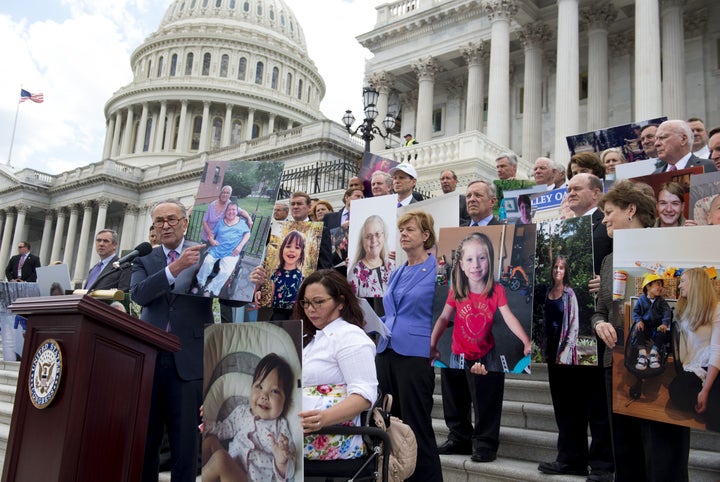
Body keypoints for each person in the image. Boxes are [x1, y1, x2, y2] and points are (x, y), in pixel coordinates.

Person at [132, 199, 266, 481]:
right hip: (150, 359)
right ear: (154, 228)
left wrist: (253, 282)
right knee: (146, 439)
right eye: (159, 221)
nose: (165, 225)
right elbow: (139, 295)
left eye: (171, 219)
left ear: (185, 223)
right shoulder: (144, 260)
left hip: (190, 359)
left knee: (186, 443)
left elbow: (232, 297)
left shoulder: (207, 254)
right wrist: (175, 268)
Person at [593, 180, 691, 482]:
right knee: (626, 454)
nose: (605, 219)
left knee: (665, 457)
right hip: (617, 367)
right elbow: (599, 310)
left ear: (631, 210)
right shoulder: (609, 259)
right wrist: (600, 324)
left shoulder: (672, 250)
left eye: (609, 212)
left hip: (664, 366)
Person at [430, 232, 531, 463]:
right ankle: (459, 437)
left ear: (490, 260)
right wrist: (433, 345)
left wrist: (526, 342)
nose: (476, 264)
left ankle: (485, 442)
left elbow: (509, 319)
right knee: (454, 395)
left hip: (486, 354)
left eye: (482, 258)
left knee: (486, 396)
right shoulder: (457, 290)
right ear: (462, 265)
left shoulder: (497, 291)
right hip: (457, 353)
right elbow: (444, 318)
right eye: (470, 259)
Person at [539, 173, 613, 482]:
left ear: (596, 194)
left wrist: (604, 279)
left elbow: (619, 263)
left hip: (591, 329)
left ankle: (603, 465)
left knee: (596, 401)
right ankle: (570, 457)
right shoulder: (558, 228)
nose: (569, 192)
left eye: (576, 188)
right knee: (565, 397)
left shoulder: (607, 227)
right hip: (558, 327)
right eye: (567, 188)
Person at [376, 211, 443, 481]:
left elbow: (445, 314)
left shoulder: (438, 271)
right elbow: (392, 313)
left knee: (416, 427)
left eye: (410, 230)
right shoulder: (397, 271)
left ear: (425, 236)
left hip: (416, 355)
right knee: (390, 424)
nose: (403, 234)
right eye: (401, 230)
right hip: (386, 352)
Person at [295, 269, 378, 460]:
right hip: (302, 430)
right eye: (306, 303)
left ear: (340, 302)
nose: (310, 309)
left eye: (318, 302)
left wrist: (324, 418)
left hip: (330, 433)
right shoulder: (310, 337)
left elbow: (364, 396)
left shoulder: (350, 336)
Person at [202, 353, 296, 481]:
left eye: (274, 391)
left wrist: (282, 461)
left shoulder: (280, 426)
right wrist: (203, 425)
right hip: (230, 471)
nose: (264, 396)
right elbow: (222, 430)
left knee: (220, 459)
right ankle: (189, 470)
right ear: (251, 389)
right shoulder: (241, 412)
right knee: (211, 441)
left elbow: (289, 472)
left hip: (250, 479)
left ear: (286, 401)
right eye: (259, 386)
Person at [668, 268, 720, 431]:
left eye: (683, 281)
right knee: (676, 390)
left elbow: (716, 351)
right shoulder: (685, 307)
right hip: (694, 365)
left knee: (714, 409)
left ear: (696, 284)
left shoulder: (716, 310)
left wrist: (705, 390)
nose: (679, 286)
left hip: (712, 364)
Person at [195, 202, 251, 297]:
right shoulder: (221, 222)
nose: (231, 212)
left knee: (226, 271)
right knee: (207, 262)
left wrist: (240, 246)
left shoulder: (242, 223)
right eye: (229, 210)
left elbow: (247, 234)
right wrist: (211, 239)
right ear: (226, 212)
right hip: (217, 249)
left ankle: (210, 288)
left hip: (231, 252)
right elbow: (212, 233)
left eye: (234, 209)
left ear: (237, 211)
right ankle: (200, 283)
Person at [543, 255, 579, 365]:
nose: (557, 270)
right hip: (549, 347)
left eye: (561, 267)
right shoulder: (548, 292)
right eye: (555, 267)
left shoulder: (569, 294)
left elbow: (574, 325)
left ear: (565, 271)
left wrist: (566, 351)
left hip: (563, 348)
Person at [631, 273, 672, 371]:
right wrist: (639, 321)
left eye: (661, 285)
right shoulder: (641, 300)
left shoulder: (661, 301)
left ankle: (653, 354)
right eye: (658, 284)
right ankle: (642, 355)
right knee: (638, 330)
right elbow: (636, 312)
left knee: (662, 333)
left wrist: (664, 323)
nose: (661, 287)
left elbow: (667, 312)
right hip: (645, 326)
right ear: (648, 286)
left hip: (657, 327)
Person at [349, 215, 392, 298]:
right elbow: (351, 304)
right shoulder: (355, 272)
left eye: (378, 234)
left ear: (384, 236)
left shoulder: (392, 266)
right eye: (368, 236)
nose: (373, 240)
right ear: (362, 241)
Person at [652, 119, 717, 174]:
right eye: (656, 139)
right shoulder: (654, 175)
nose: (656, 144)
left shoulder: (709, 167)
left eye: (662, 137)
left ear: (683, 139)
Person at [269, 231, 305, 310]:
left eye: (297, 247)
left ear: (301, 254)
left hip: (294, 314)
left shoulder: (301, 277)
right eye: (288, 246)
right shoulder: (275, 275)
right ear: (282, 251)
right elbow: (270, 299)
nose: (292, 250)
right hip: (277, 313)